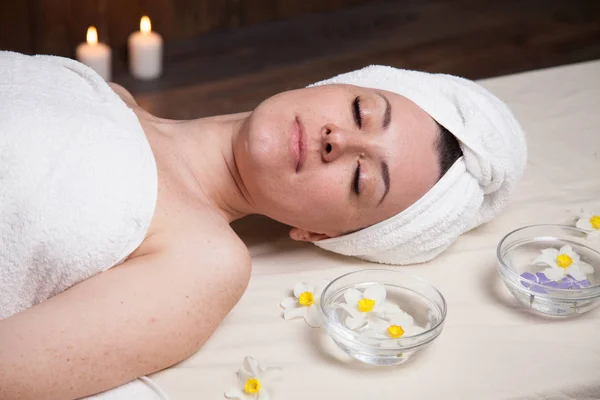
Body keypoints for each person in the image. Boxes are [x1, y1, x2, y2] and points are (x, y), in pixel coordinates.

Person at [0, 52, 525, 399]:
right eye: (361, 111)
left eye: (361, 178)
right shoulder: (107, 95)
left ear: (323, 234)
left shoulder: (202, 262)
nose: (337, 140)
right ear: (334, 86)